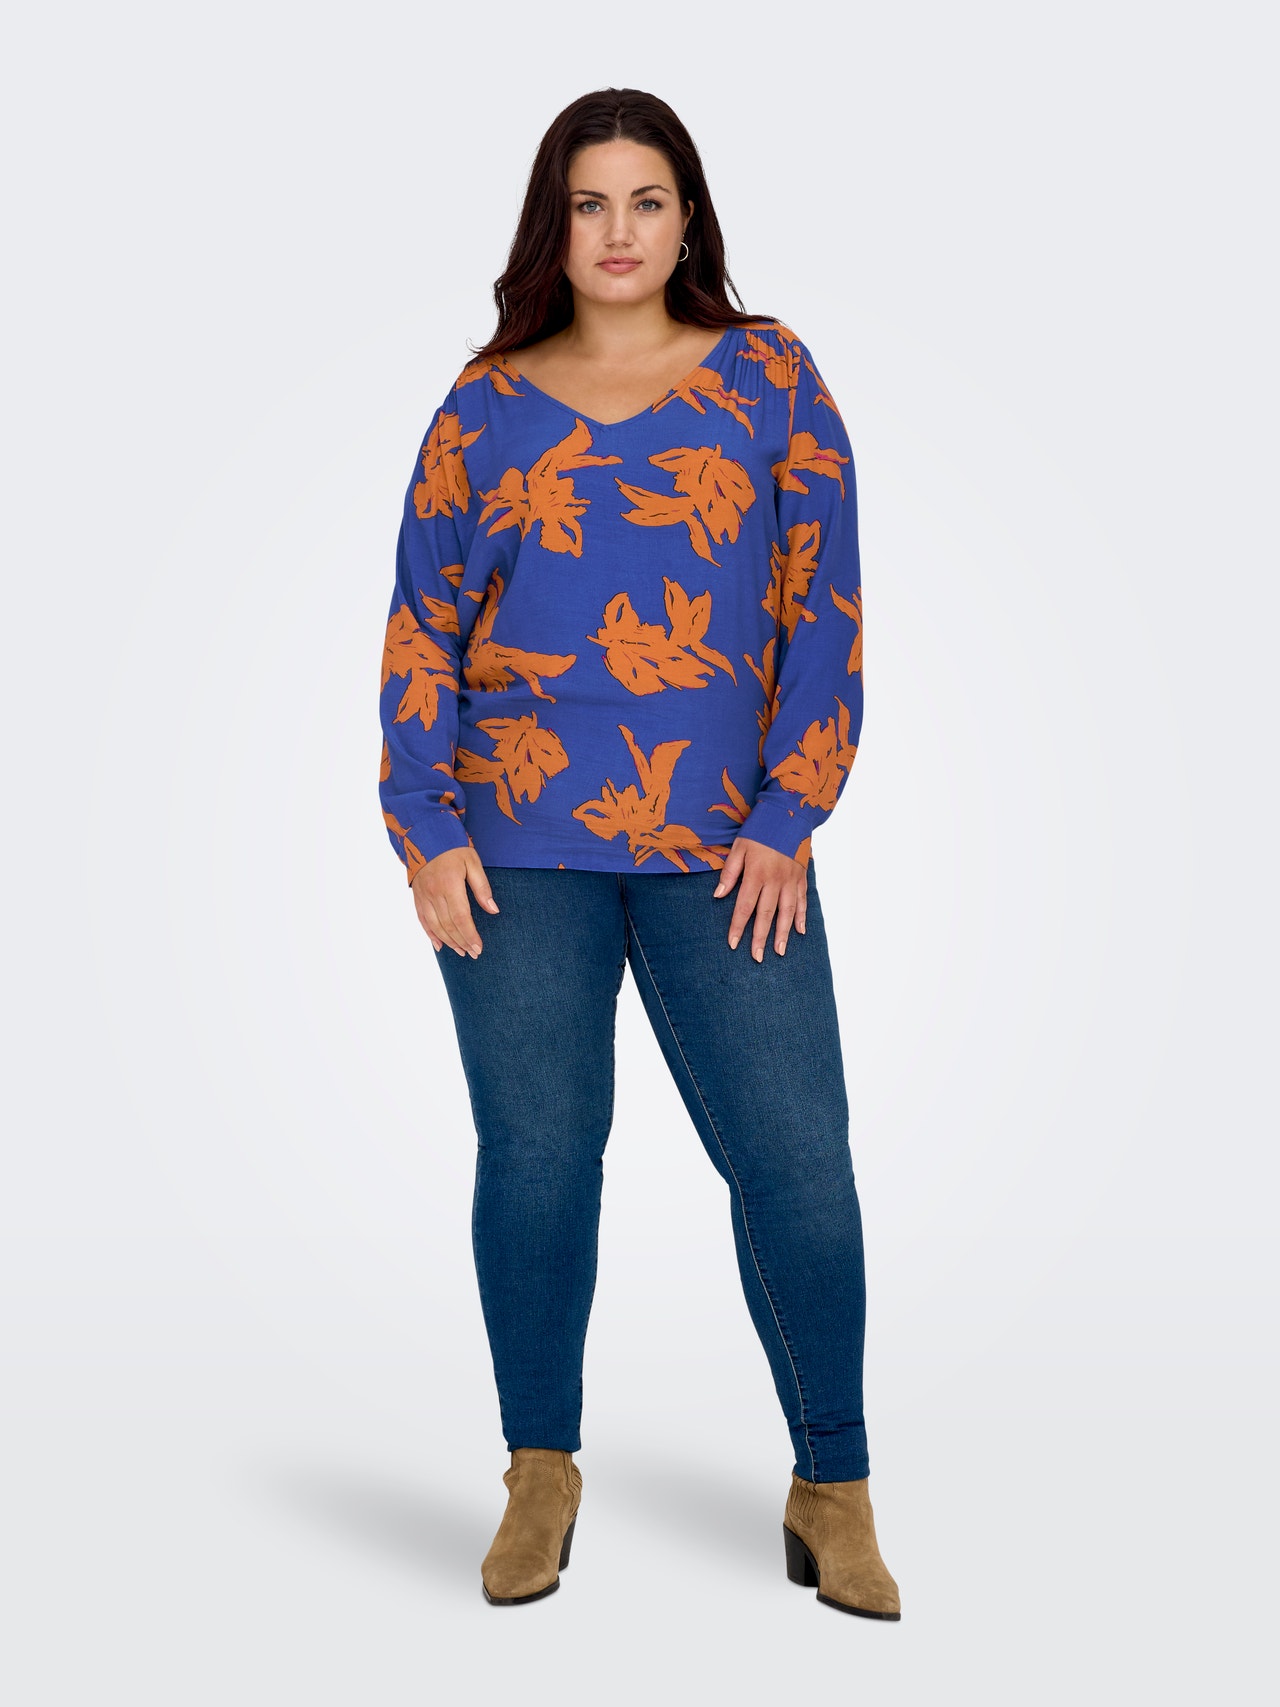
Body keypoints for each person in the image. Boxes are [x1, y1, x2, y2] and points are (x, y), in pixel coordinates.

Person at [377, 86, 900, 1620]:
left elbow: (825, 601)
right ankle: (539, 1473)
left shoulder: (769, 377)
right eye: (590, 203)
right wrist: (424, 826)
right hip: (513, 846)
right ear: (555, 224)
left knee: (799, 1164)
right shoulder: (481, 406)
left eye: (647, 200)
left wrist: (792, 810)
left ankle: (834, 1483)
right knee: (540, 1162)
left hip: (730, 850)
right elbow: (421, 628)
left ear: (688, 219)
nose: (618, 231)